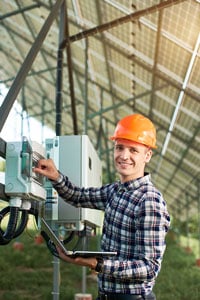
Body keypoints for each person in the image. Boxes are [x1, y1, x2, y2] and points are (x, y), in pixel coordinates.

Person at [34, 114, 170, 300]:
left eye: (133, 150)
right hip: (106, 294)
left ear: (147, 155)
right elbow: (78, 196)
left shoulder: (149, 201)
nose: (124, 156)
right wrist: (55, 176)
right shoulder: (115, 190)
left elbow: (149, 268)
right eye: (119, 147)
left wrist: (97, 264)